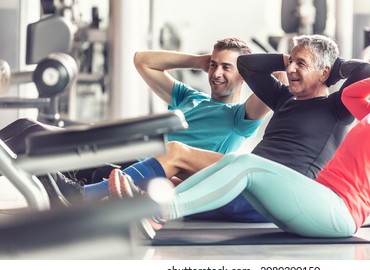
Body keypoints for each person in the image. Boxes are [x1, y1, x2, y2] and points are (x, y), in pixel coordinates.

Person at [112, 36, 370, 237]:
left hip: (339, 212)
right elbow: (355, 91)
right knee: (236, 164)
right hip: (311, 199)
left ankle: (160, 210)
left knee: (244, 164)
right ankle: (147, 207)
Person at [87, 34, 370, 225]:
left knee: (179, 155)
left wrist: (334, 68)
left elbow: (363, 71)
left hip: (279, 191)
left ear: (325, 73)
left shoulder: (337, 107)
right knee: (172, 180)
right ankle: (110, 205)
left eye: (301, 63)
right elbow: (246, 65)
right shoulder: (284, 98)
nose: (292, 69)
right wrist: (287, 59)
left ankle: (87, 197)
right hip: (247, 182)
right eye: (291, 62)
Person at [0, 37, 269, 206]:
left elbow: (275, 86)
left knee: (31, 139)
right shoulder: (191, 97)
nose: (216, 73)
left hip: (139, 167)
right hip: (119, 149)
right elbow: (143, 60)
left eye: (227, 67)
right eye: (214, 65)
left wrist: (253, 67)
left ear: (243, 75)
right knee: (27, 126)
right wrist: (198, 61)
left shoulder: (239, 117)